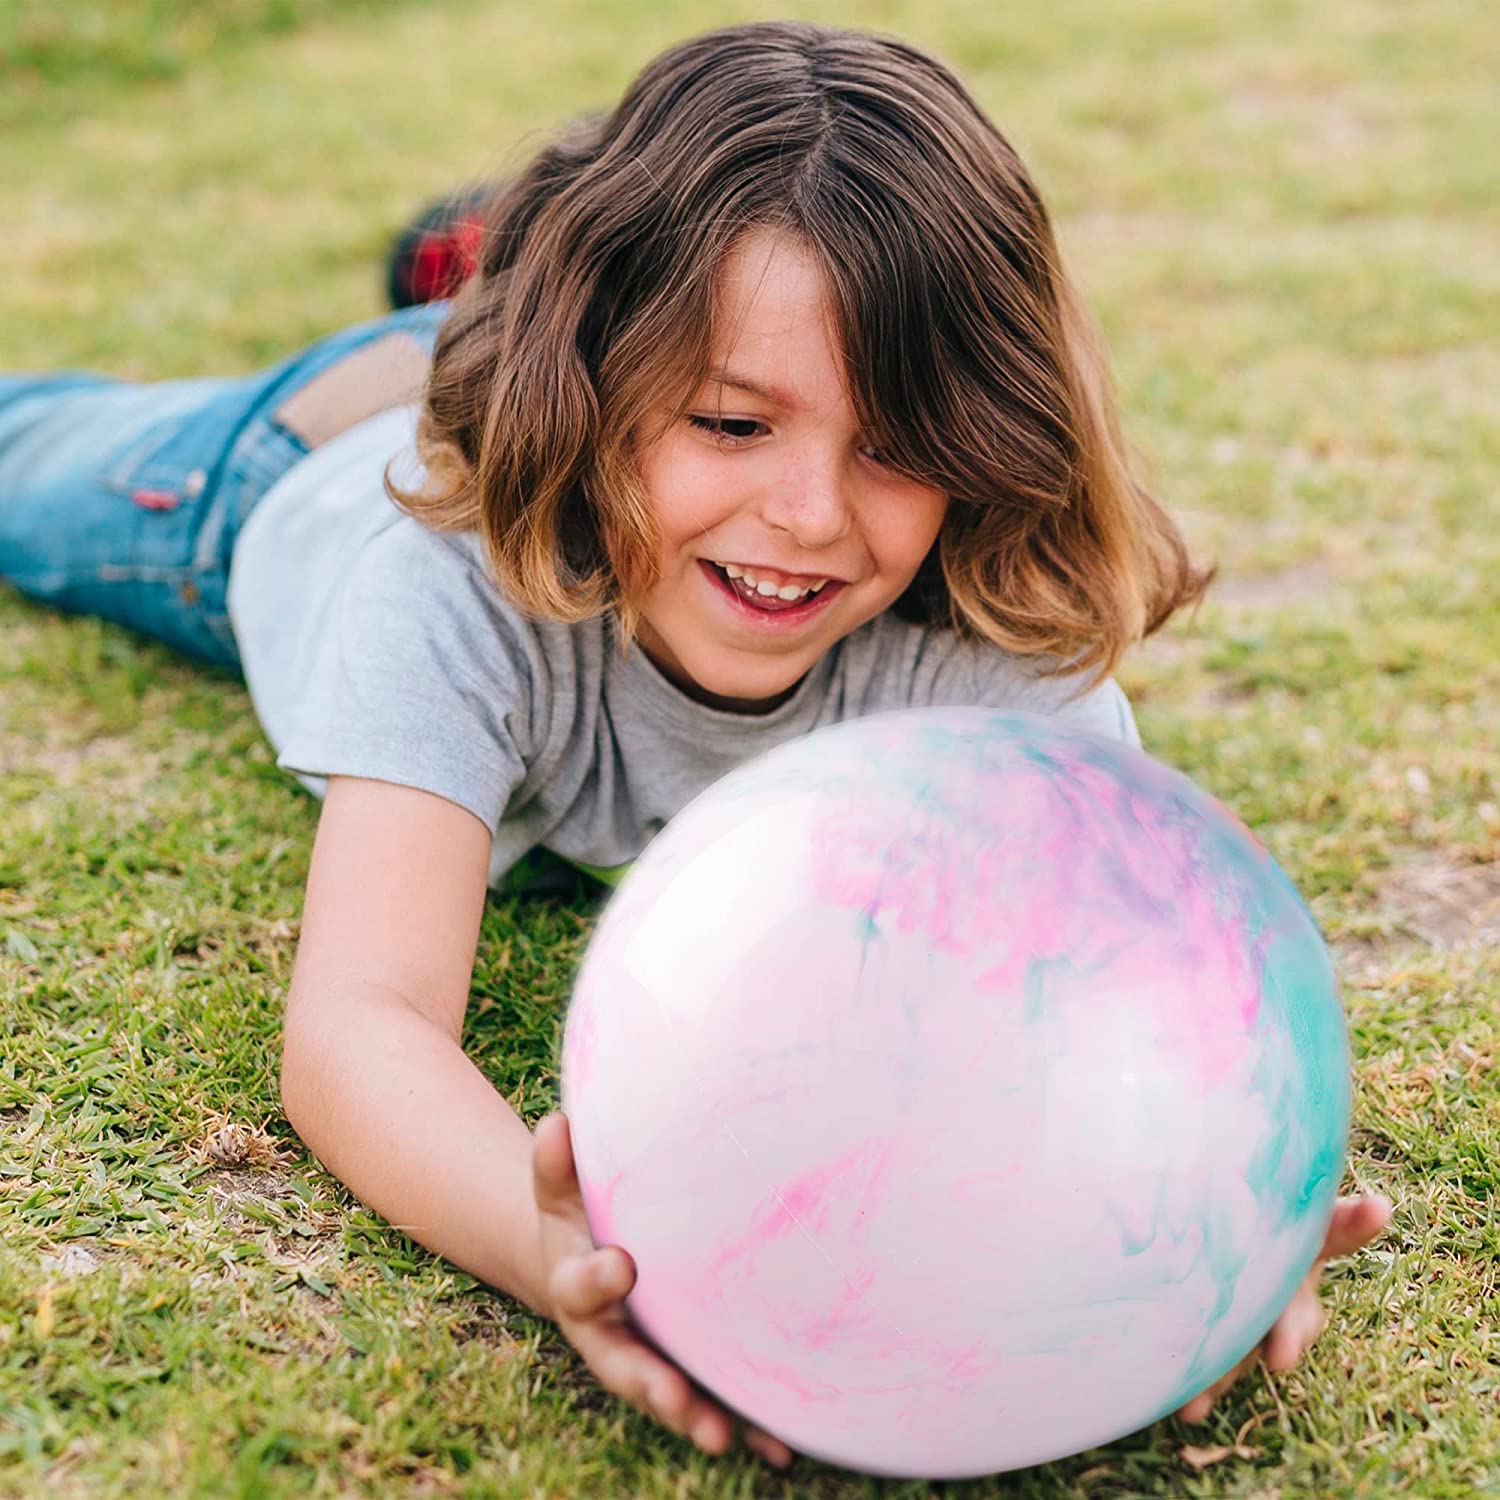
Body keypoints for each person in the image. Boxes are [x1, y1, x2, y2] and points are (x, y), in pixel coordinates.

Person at [0, 20, 1390, 1471]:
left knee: (526, 331)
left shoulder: (986, 654)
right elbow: (359, 1024)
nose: (808, 513)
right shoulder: (451, 588)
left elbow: (1165, 994)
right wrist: (557, 1248)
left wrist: (1235, 1206)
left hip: (533, 356)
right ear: (596, 384)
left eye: (897, 442)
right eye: (735, 422)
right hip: (294, 469)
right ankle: (462, 295)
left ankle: (474, 274)